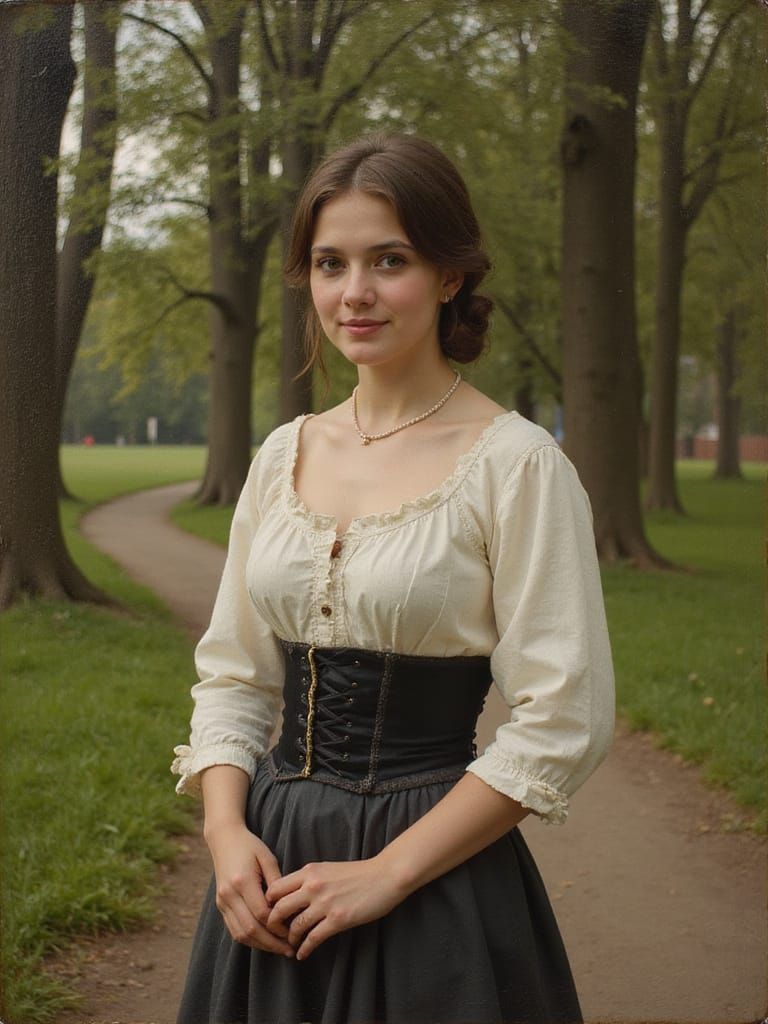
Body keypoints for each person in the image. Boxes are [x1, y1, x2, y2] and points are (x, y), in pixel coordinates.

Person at [172, 133, 615, 1024]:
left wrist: (387, 873)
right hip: (271, 869)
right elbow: (235, 675)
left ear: (449, 275)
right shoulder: (282, 455)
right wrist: (226, 836)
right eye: (331, 263)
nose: (355, 293)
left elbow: (566, 716)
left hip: (434, 874)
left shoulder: (516, 466)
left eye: (391, 260)